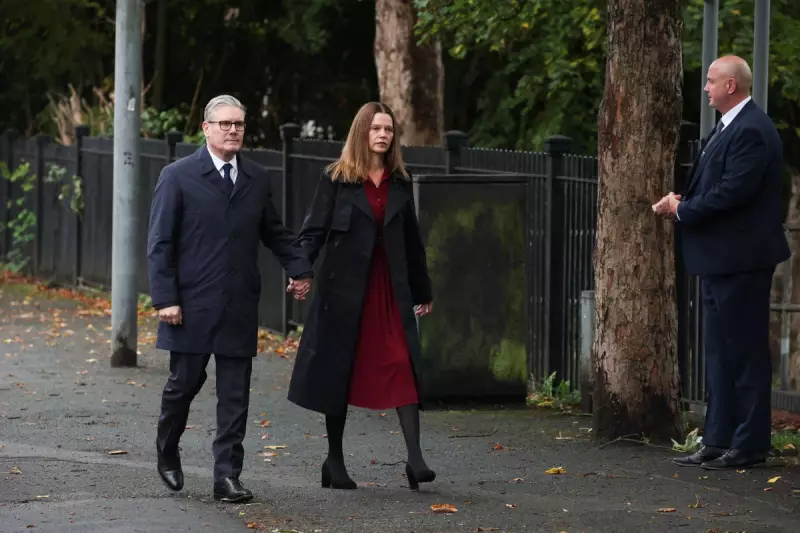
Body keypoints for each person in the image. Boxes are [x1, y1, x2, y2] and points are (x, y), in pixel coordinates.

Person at [147, 94, 313, 502]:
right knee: (182, 386)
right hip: (189, 306)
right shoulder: (178, 175)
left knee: (235, 395)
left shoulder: (256, 177)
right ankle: (167, 450)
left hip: (239, 303)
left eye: (238, 124)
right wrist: (165, 298)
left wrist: (300, 268)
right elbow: (160, 241)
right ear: (206, 128)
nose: (233, 130)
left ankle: (227, 477)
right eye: (225, 124)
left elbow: (272, 230)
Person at [286, 102, 435, 490]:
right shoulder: (336, 179)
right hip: (344, 294)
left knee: (402, 363)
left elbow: (413, 242)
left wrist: (423, 290)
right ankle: (334, 462)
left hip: (390, 291)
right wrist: (300, 271)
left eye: (389, 129)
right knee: (341, 372)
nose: (384, 135)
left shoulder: (400, 180)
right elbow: (312, 231)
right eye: (376, 129)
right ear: (361, 133)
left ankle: (415, 458)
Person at [653, 56, 790, 470]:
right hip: (721, 259)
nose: (706, 88)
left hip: (741, 260)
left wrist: (682, 209)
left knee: (744, 352)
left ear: (731, 85)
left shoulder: (751, 129)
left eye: (711, 81)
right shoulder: (729, 126)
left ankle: (749, 444)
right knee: (719, 353)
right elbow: (718, 184)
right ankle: (718, 438)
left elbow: (733, 192)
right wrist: (684, 202)